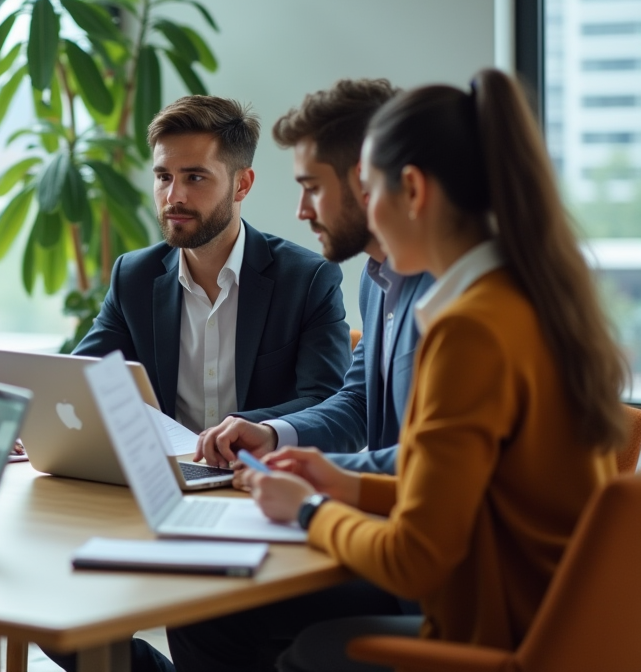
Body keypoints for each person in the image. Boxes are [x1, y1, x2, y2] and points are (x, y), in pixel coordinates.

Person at [240, 68, 625, 672]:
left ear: (413, 191)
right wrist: (342, 483)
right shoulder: (527, 296)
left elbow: (415, 558)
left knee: (300, 652)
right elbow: (470, 496)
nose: (369, 208)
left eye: (372, 189)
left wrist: (309, 509)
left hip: (496, 635)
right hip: (562, 628)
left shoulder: (469, 328)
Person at [75, 95, 351, 434]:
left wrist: (245, 429)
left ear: (242, 185)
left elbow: (327, 402)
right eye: (163, 177)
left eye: (194, 177)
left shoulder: (306, 280)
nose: (173, 196)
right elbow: (77, 378)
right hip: (166, 475)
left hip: (259, 475)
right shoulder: (133, 276)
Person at [198, 78, 432, 474]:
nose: (302, 211)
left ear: (365, 180)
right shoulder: (376, 280)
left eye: (313, 188)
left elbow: (438, 461)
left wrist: (320, 480)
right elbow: (359, 400)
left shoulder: (452, 290)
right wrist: (273, 434)